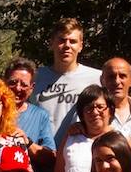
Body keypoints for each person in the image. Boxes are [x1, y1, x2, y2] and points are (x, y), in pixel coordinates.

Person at [32, 17, 103, 149]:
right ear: (51, 43)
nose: (67, 46)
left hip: (77, 157)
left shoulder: (97, 78)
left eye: (73, 41)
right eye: (62, 40)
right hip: (39, 156)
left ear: (81, 46)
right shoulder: (35, 77)